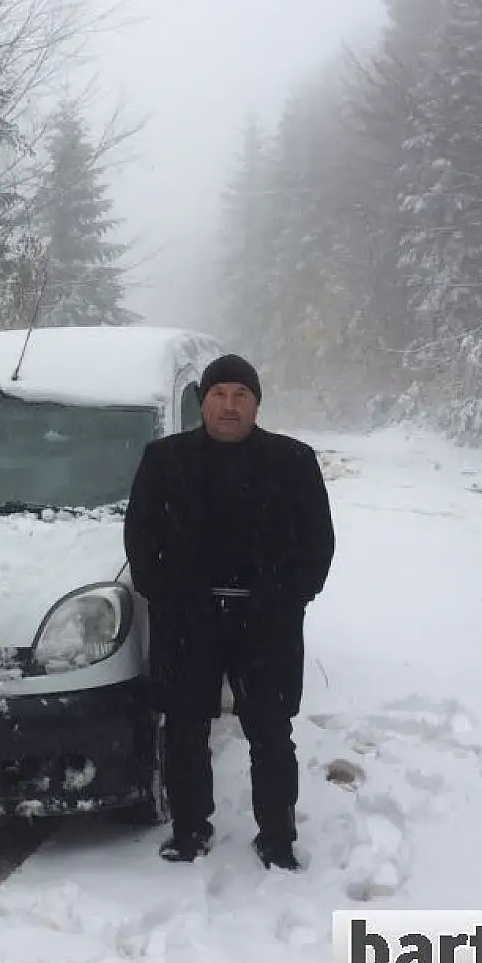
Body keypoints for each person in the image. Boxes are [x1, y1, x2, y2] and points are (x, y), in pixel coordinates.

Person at [123, 354, 334, 868]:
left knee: (270, 730)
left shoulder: (293, 461)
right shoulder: (164, 460)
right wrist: (168, 595)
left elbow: (318, 544)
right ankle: (190, 828)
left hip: (268, 624)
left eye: (241, 395)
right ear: (203, 402)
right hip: (187, 621)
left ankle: (278, 835)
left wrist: (288, 598)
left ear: (257, 404)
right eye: (219, 395)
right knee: (185, 728)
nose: (229, 405)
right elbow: (140, 537)